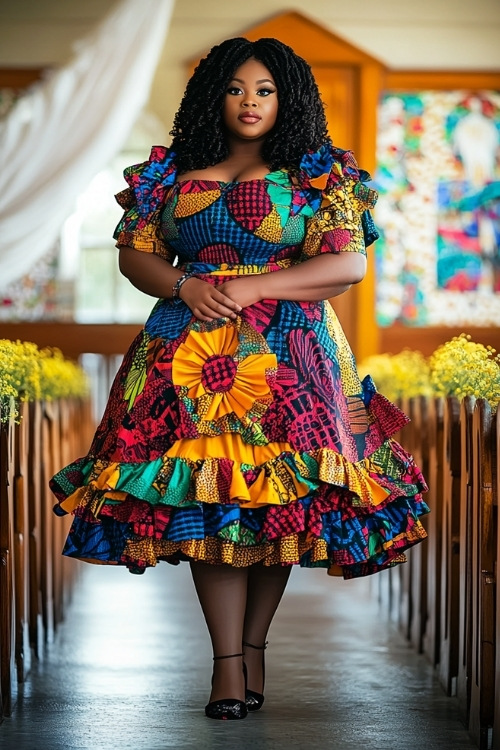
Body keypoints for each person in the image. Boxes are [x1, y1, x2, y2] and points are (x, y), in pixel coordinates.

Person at [50, 37, 429, 721]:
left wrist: (256, 287)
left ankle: (253, 645)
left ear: (287, 99)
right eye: (235, 89)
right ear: (211, 97)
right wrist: (185, 284)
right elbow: (136, 257)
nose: (249, 102)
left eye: (264, 90)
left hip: (292, 356)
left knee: (272, 501)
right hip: (182, 354)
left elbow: (346, 266)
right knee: (211, 497)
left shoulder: (321, 174)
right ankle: (228, 664)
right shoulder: (168, 174)